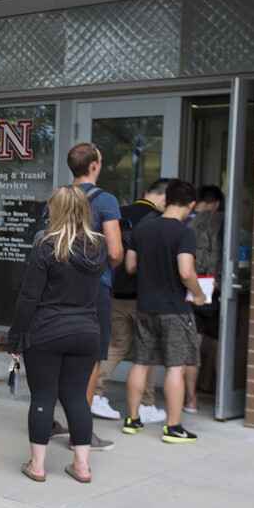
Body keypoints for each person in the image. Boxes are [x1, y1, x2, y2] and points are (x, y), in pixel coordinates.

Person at [9, 185, 108, 483]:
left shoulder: (45, 247)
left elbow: (29, 298)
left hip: (47, 332)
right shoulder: (99, 247)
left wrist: (15, 337)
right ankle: (81, 466)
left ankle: (37, 466)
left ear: (56, 210)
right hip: (87, 331)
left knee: (43, 397)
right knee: (77, 398)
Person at [49, 143, 122, 452]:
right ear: (94, 165)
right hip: (94, 288)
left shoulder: (57, 199)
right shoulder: (105, 200)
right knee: (90, 357)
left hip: (55, 285)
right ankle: (83, 430)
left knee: (53, 354)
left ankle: (47, 419)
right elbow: (116, 253)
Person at [123, 179, 206, 443]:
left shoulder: (143, 229)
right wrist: (200, 294)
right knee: (175, 367)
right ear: (191, 204)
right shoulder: (184, 233)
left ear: (166, 199)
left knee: (141, 363)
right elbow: (186, 272)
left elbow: (130, 267)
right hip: (174, 309)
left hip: (145, 306)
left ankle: (132, 419)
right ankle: (173, 427)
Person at [92, 179, 170, 424]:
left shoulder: (119, 213)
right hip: (143, 296)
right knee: (148, 350)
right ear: (165, 200)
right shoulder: (158, 222)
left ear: (147, 193)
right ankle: (146, 403)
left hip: (115, 291)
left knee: (117, 344)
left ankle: (95, 392)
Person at [185, 185, 224, 413]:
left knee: (193, 345)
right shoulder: (221, 221)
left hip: (189, 287)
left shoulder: (184, 220)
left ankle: (191, 398)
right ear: (217, 203)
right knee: (220, 343)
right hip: (215, 289)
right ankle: (215, 390)